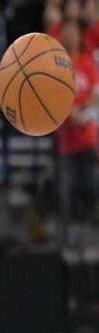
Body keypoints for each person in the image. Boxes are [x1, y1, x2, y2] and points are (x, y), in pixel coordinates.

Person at [56, 19, 98, 244]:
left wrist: (79, 110)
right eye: (67, 31)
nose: (71, 35)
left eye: (74, 31)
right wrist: (68, 111)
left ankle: (91, 244)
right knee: (67, 197)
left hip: (87, 140)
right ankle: (68, 246)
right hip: (66, 144)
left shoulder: (86, 62)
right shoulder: (56, 65)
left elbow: (96, 94)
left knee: (90, 190)